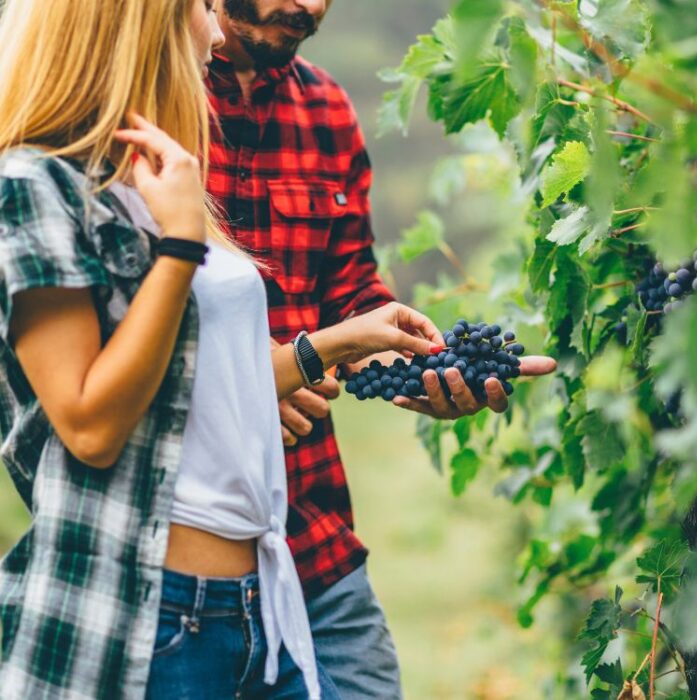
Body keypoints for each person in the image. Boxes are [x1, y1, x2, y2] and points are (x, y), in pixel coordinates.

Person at [0, 1, 447, 698]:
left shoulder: (156, 174)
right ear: (139, 24)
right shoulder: (33, 187)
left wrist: (352, 343)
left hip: (263, 594)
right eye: (201, 7)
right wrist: (180, 244)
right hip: (159, 609)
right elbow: (90, 426)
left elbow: (199, 379)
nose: (214, 28)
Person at [205, 1, 558, 697]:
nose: (309, 7)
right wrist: (256, 379)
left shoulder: (326, 110)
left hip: (311, 537)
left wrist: (420, 370)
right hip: (184, 553)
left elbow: (351, 297)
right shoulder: (144, 98)